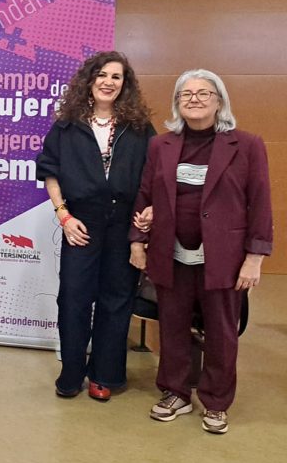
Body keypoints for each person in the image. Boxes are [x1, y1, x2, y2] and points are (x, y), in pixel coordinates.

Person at [130, 69, 272, 433]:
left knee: (221, 333)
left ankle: (216, 402)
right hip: (171, 254)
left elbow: (260, 203)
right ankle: (175, 392)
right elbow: (145, 195)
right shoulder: (160, 145)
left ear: (219, 101)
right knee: (173, 326)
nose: (194, 99)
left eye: (203, 93)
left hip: (224, 258)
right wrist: (137, 240)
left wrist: (254, 258)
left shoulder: (247, 145)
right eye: (186, 94)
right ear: (177, 102)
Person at [35, 50, 155, 401]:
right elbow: (50, 173)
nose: (108, 82)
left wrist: (148, 215)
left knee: (116, 300)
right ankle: (72, 371)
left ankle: (105, 374)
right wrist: (64, 216)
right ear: (89, 80)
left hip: (123, 225)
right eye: (102, 75)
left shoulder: (139, 127)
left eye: (116, 76)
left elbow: (153, 176)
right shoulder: (67, 125)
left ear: (125, 84)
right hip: (80, 224)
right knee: (73, 299)